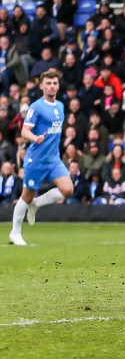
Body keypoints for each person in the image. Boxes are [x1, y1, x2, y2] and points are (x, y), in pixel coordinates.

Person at [9, 69, 73, 246]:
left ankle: (37, 204)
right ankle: (15, 233)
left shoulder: (60, 106)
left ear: (58, 86)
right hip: (36, 159)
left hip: (53, 159)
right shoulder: (36, 106)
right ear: (42, 86)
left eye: (54, 83)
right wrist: (35, 138)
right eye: (48, 84)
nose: (52, 86)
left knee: (68, 189)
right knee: (26, 196)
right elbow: (24, 131)